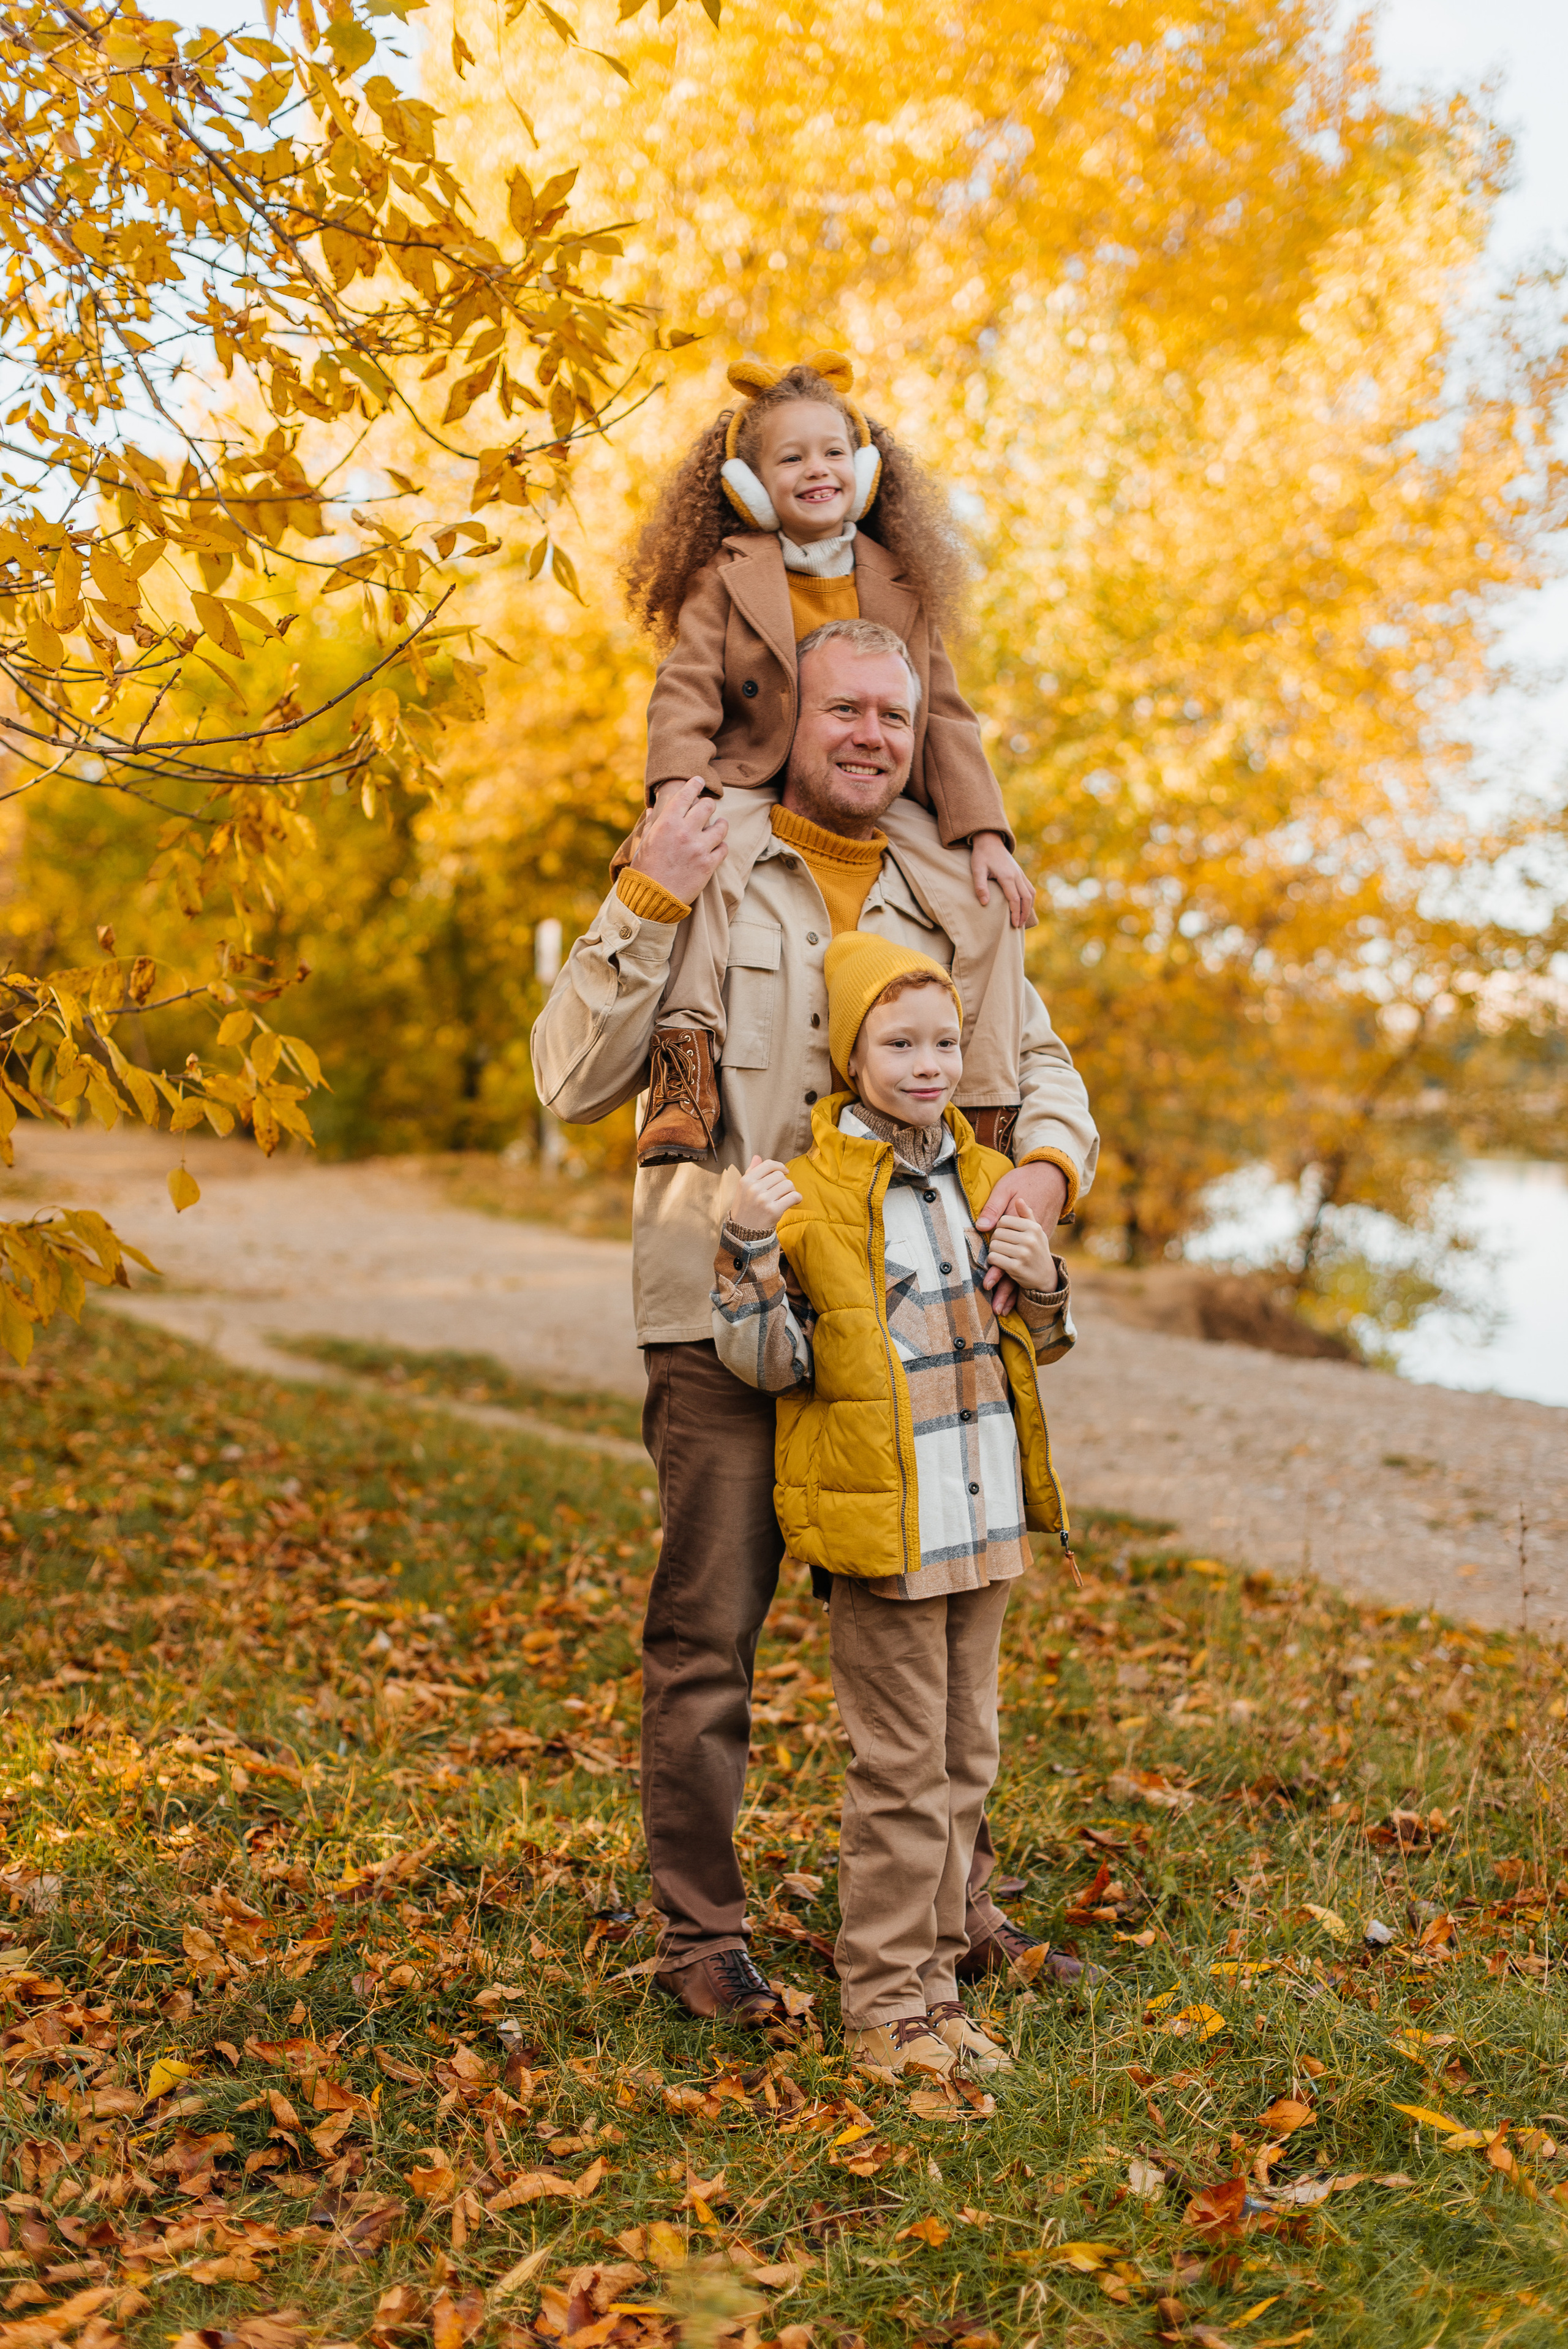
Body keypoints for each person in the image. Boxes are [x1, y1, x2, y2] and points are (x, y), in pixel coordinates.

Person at [531, 619, 1099, 2029]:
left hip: (905, 1332)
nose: (867, 738)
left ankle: (943, 1916)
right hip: (717, 1313)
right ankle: (701, 1938)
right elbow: (570, 1082)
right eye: (842, 709)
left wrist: (1038, 1170)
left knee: (937, 1647)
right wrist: (644, 903)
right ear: (789, 715)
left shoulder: (954, 882)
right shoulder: (700, 850)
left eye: (892, 720)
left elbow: (1035, 1065)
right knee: (706, 1634)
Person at [710, 933, 1076, 2078]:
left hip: (985, 1515)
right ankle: (880, 2009)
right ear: (849, 1048)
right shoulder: (810, 1190)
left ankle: (934, 1989)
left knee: (968, 1761)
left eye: (946, 1042)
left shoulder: (983, 1178)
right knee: (902, 1771)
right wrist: (746, 1249)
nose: (928, 1063)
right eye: (900, 1041)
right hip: (888, 1525)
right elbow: (769, 1365)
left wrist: (1047, 1278)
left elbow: (1039, 1346)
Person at [619, 350, 1036, 1167]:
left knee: (989, 900)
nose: (819, 469)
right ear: (748, 485)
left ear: (866, 467)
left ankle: (988, 1105)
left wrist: (985, 833)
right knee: (706, 859)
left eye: (834, 452)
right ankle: (686, 1064)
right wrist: (678, 793)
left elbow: (945, 714)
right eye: (793, 457)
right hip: (750, 775)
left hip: (873, 792)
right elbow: (685, 690)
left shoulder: (901, 580)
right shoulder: (728, 577)